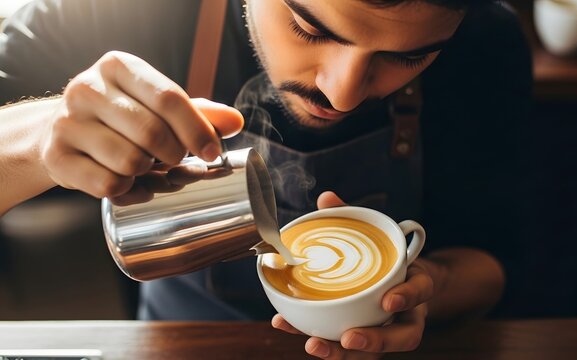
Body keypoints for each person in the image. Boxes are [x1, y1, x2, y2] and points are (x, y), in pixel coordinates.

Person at [0, 0, 532, 358]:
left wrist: (427, 290)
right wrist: (39, 137)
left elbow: (490, 266)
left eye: (408, 56)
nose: (342, 93)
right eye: (311, 29)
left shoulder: (486, 39)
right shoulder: (128, 12)